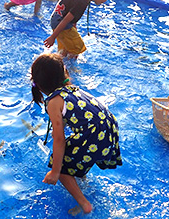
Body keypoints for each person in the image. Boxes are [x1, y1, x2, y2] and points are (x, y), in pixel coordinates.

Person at [30, 53, 122, 215]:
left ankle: (84, 204)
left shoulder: (54, 102)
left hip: (94, 135)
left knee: (63, 167)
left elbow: (59, 140)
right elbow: (79, 116)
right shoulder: (73, 91)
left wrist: (56, 172)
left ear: (40, 85)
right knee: (77, 151)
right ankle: (80, 176)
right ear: (64, 72)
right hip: (108, 130)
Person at [44, 0, 115, 58]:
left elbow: (71, 15)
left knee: (65, 49)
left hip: (56, 20)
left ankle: (58, 62)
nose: (105, 1)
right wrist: (53, 37)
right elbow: (66, 20)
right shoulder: (82, 1)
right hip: (61, 23)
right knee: (77, 48)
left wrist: (74, 27)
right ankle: (70, 68)